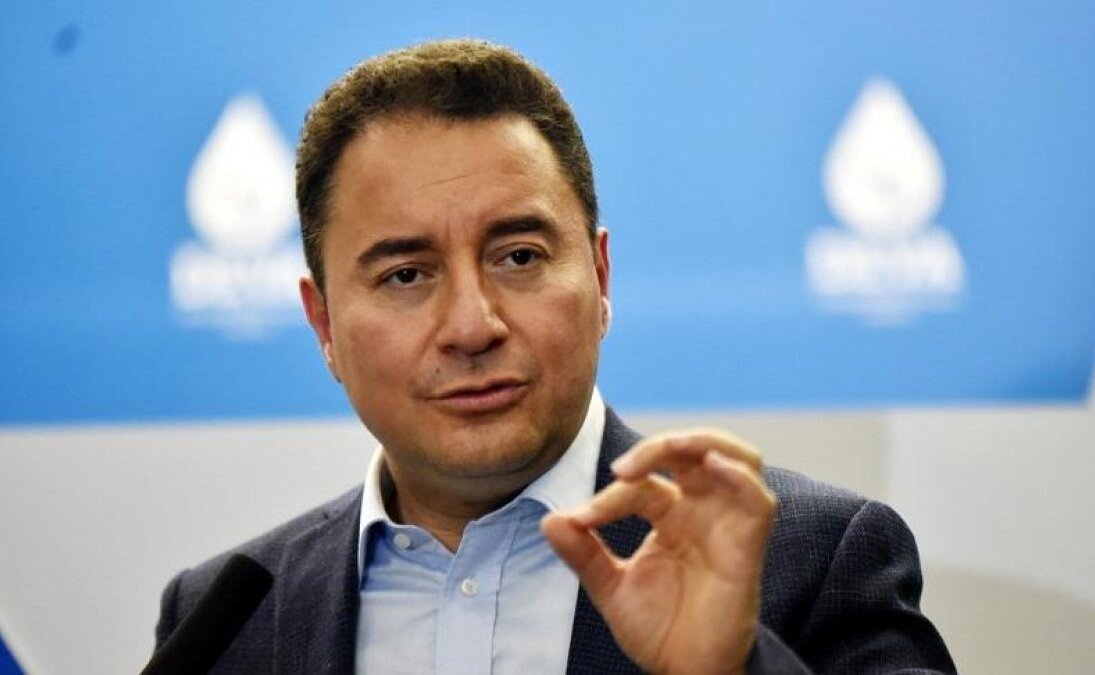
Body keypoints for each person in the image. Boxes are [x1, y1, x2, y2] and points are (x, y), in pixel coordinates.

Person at [154, 39, 955, 674]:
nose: (472, 325)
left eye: (519, 257)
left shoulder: (808, 559)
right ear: (323, 322)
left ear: (600, 277)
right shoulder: (222, 620)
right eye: (406, 274)